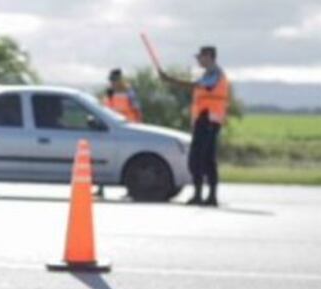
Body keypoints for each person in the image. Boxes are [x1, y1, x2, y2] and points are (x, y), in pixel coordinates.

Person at [159, 46, 230, 207]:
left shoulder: (215, 75)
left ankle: (209, 196)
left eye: (201, 57)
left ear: (210, 57)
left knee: (204, 160)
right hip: (203, 120)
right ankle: (200, 195)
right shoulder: (208, 74)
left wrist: (170, 80)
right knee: (198, 160)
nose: (198, 60)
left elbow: (198, 86)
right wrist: (170, 80)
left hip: (210, 121)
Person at [97, 68, 143, 197]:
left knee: (129, 160)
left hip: (128, 130)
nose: (113, 82)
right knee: (105, 158)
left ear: (121, 79)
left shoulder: (129, 92)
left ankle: (130, 190)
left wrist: (139, 127)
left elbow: (137, 110)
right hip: (111, 130)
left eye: (115, 80)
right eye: (111, 80)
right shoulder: (109, 93)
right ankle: (101, 188)